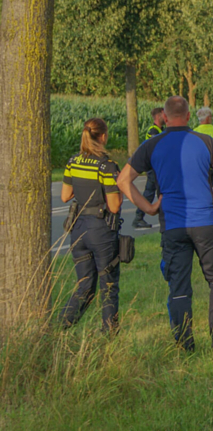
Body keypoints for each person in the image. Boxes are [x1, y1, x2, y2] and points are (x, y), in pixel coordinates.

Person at [117, 96, 213, 352]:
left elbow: (123, 181)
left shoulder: (152, 144)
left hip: (173, 225)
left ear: (164, 116)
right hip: (205, 222)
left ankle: (185, 344)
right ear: (187, 116)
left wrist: (148, 208)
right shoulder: (204, 141)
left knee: (179, 285)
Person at [60, 118, 157, 333]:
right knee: (108, 286)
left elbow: (66, 195)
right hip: (101, 231)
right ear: (103, 136)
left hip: (77, 231)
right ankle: (109, 333)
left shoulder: (73, 161)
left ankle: (61, 326)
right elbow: (114, 206)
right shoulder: (106, 165)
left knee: (85, 286)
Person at [133, 107, 166, 229]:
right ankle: (138, 218)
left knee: (153, 192)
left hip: (156, 166)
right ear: (158, 116)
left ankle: (139, 218)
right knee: (151, 193)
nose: (165, 117)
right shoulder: (153, 131)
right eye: (163, 115)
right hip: (154, 167)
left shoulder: (160, 130)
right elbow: (157, 148)